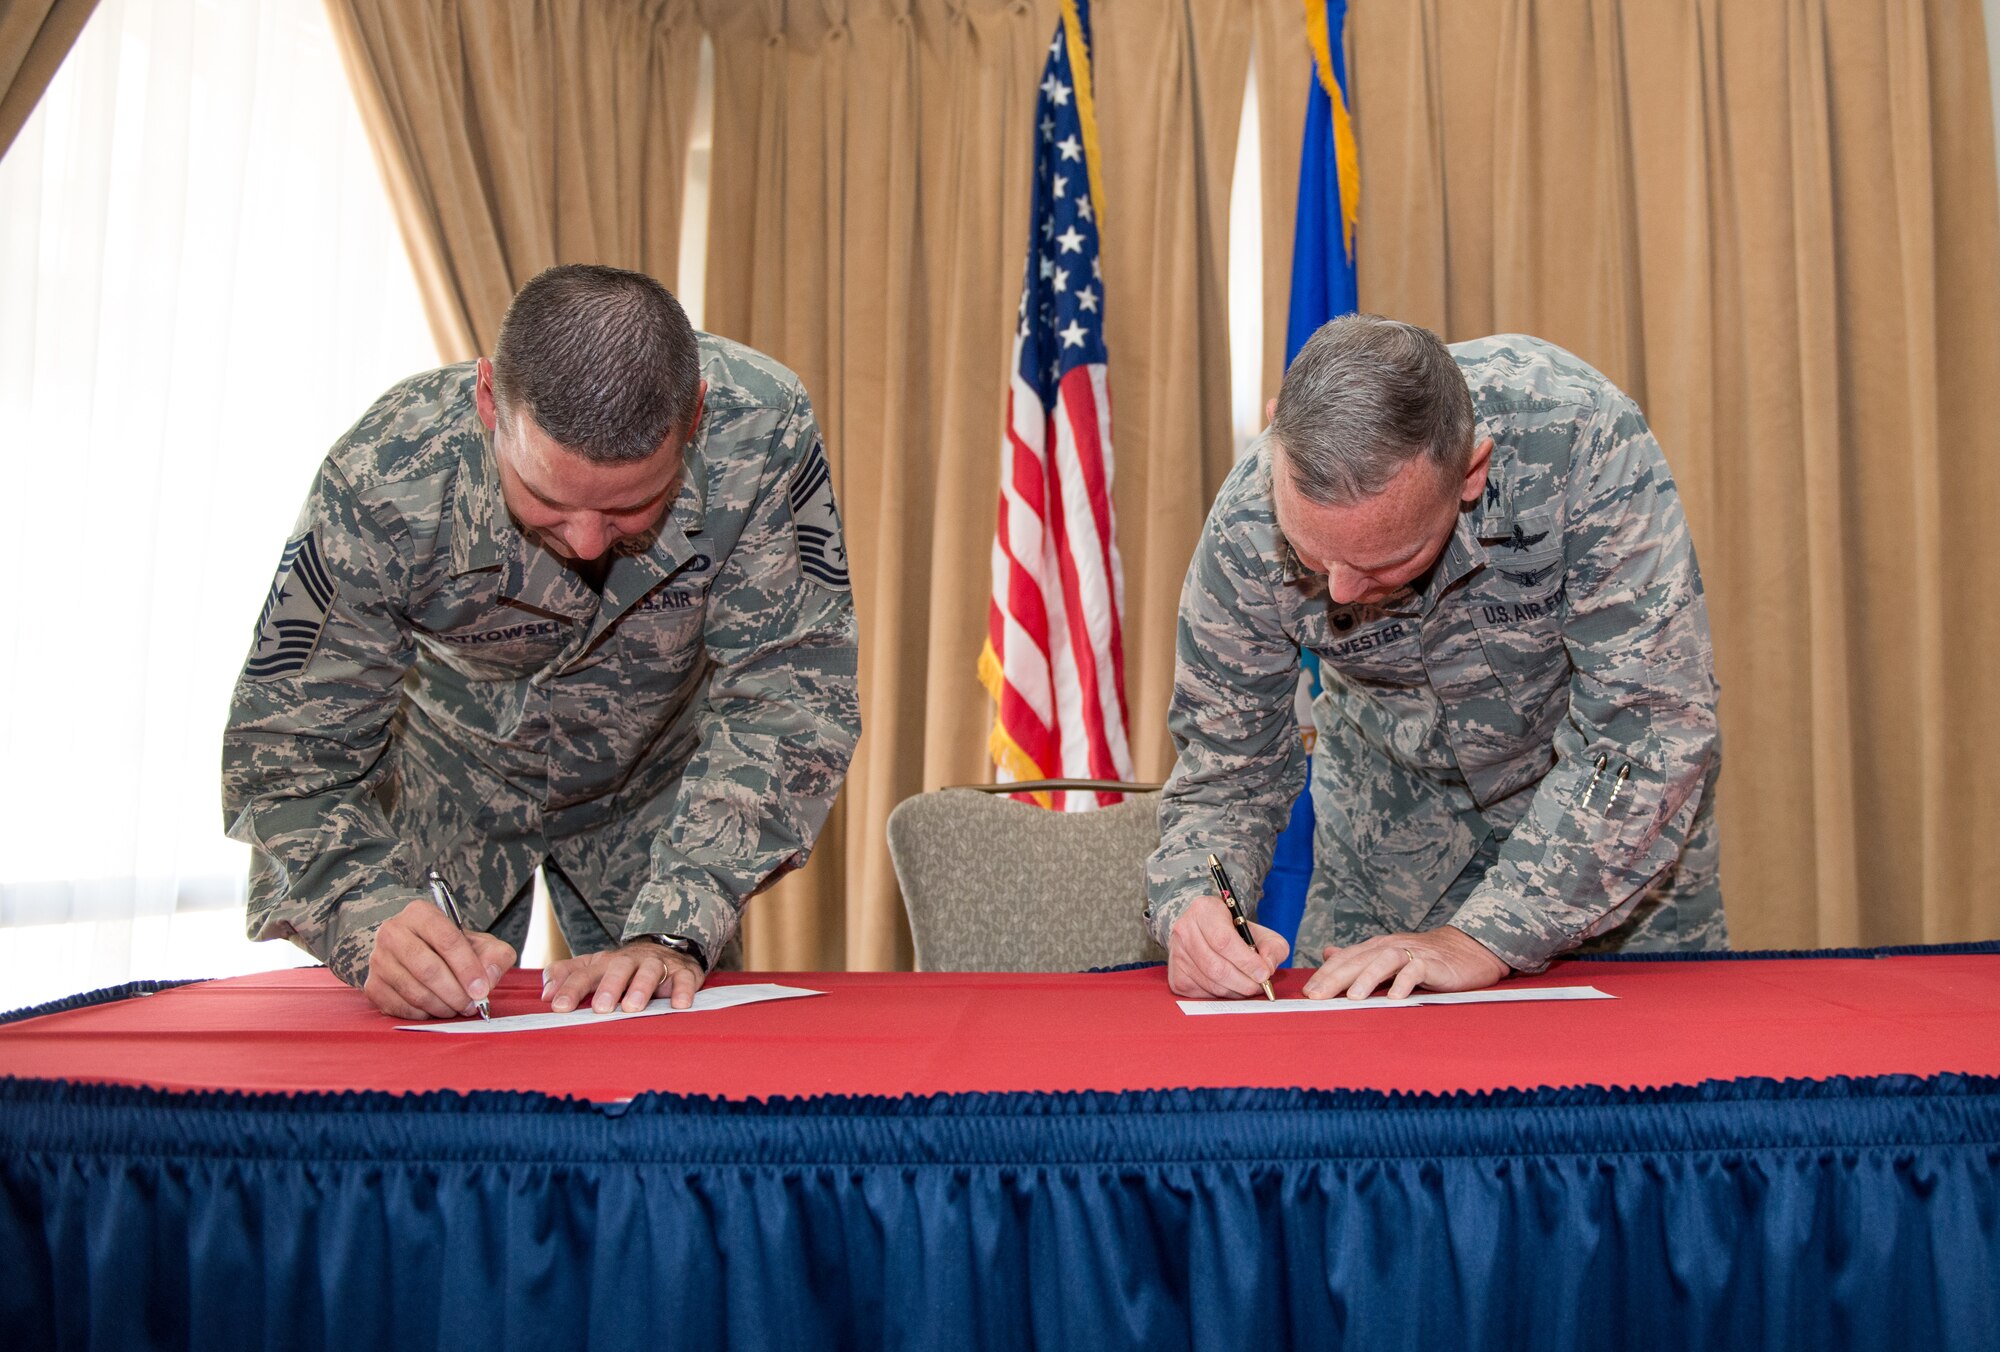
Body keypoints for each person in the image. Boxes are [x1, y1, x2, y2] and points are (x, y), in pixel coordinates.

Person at [223, 264, 860, 1020]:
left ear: (695, 418)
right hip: (446, 790)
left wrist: (678, 924)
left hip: (660, 803)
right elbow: (289, 747)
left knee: (667, 1064)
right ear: (490, 402)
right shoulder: (389, 470)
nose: (588, 542)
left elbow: (792, 692)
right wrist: (362, 911)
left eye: (634, 505)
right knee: (424, 1075)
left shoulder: (760, 430)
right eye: (548, 499)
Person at [1146, 314, 1723, 1000]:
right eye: (1312, 555)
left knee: (1641, 1094)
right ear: (1276, 434)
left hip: (1605, 860)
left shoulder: (1578, 440)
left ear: (1471, 472)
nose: (1340, 590)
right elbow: (1226, 766)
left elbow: (1648, 727)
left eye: (1386, 562)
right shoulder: (1247, 523)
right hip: (1385, 867)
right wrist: (1194, 902)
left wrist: (1487, 935)